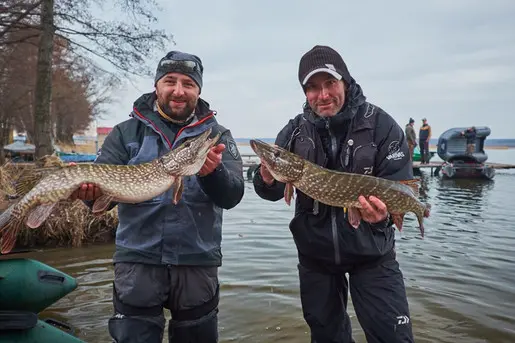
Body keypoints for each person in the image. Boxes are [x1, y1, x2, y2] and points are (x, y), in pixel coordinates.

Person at [70, 50, 245, 343]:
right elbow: (103, 198)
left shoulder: (218, 135)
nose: (178, 91)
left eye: (188, 84)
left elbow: (233, 195)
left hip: (196, 262)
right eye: (170, 81)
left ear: (198, 90)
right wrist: (88, 195)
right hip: (137, 262)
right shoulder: (125, 133)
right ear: (157, 86)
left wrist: (210, 173)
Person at [253, 45, 415, 343]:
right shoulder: (293, 132)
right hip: (316, 257)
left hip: (373, 255)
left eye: (330, 83)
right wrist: (265, 177)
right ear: (305, 93)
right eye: (313, 88)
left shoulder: (382, 126)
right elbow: (272, 190)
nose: (323, 94)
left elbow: (400, 184)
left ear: (346, 82)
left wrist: (382, 216)